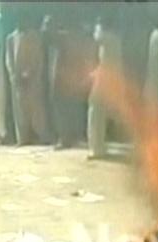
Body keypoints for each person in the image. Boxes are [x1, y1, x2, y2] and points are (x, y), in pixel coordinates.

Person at [44, 16, 96, 149]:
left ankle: (67, 138)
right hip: (63, 80)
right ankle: (68, 137)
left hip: (65, 81)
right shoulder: (58, 40)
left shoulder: (63, 38)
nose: (44, 29)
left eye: (47, 25)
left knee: (66, 110)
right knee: (66, 109)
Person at [6, 16, 50, 146]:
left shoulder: (34, 37)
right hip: (17, 79)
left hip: (33, 78)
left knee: (36, 108)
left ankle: (43, 135)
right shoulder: (10, 38)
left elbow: (38, 57)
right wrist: (13, 75)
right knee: (19, 110)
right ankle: (22, 138)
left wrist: (31, 72)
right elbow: (9, 59)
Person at [88, 15, 124, 159]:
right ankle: (98, 146)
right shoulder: (115, 38)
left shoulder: (108, 37)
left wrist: (94, 27)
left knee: (96, 111)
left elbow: (96, 37)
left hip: (106, 77)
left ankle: (97, 148)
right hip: (109, 76)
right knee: (102, 112)